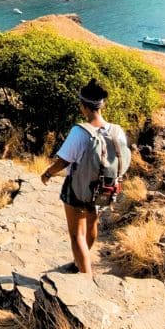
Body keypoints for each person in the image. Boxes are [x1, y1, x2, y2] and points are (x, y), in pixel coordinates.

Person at [39, 80, 131, 274]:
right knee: (92, 224)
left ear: (83, 106)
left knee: (76, 234)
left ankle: (86, 277)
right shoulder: (117, 131)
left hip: (78, 188)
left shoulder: (80, 132)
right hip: (105, 187)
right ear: (102, 104)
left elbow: (63, 161)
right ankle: (81, 262)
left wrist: (47, 174)